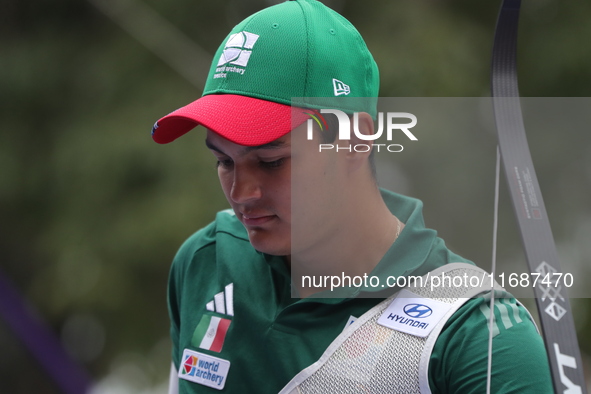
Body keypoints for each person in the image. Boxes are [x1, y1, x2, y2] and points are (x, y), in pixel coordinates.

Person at [151, 0, 552, 392]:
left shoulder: (476, 335)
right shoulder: (204, 260)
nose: (241, 193)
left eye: (271, 162)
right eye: (224, 161)